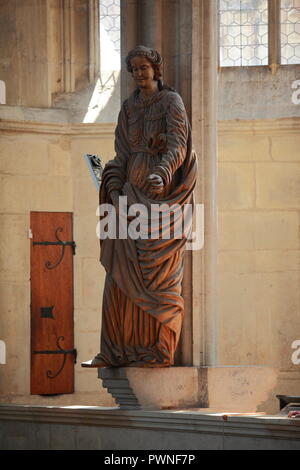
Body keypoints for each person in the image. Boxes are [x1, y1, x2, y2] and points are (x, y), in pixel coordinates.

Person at [83, 45, 197, 368]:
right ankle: (117, 350)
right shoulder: (128, 107)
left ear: (156, 69)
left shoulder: (171, 102)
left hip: (159, 200)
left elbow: (178, 144)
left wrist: (162, 173)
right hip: (128, 198)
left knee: (156, 277)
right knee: (119, 275)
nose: (139, 73)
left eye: (144, 67)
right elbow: (121, 152)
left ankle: (156, 350)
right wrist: (114, 182)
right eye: (133, 69)